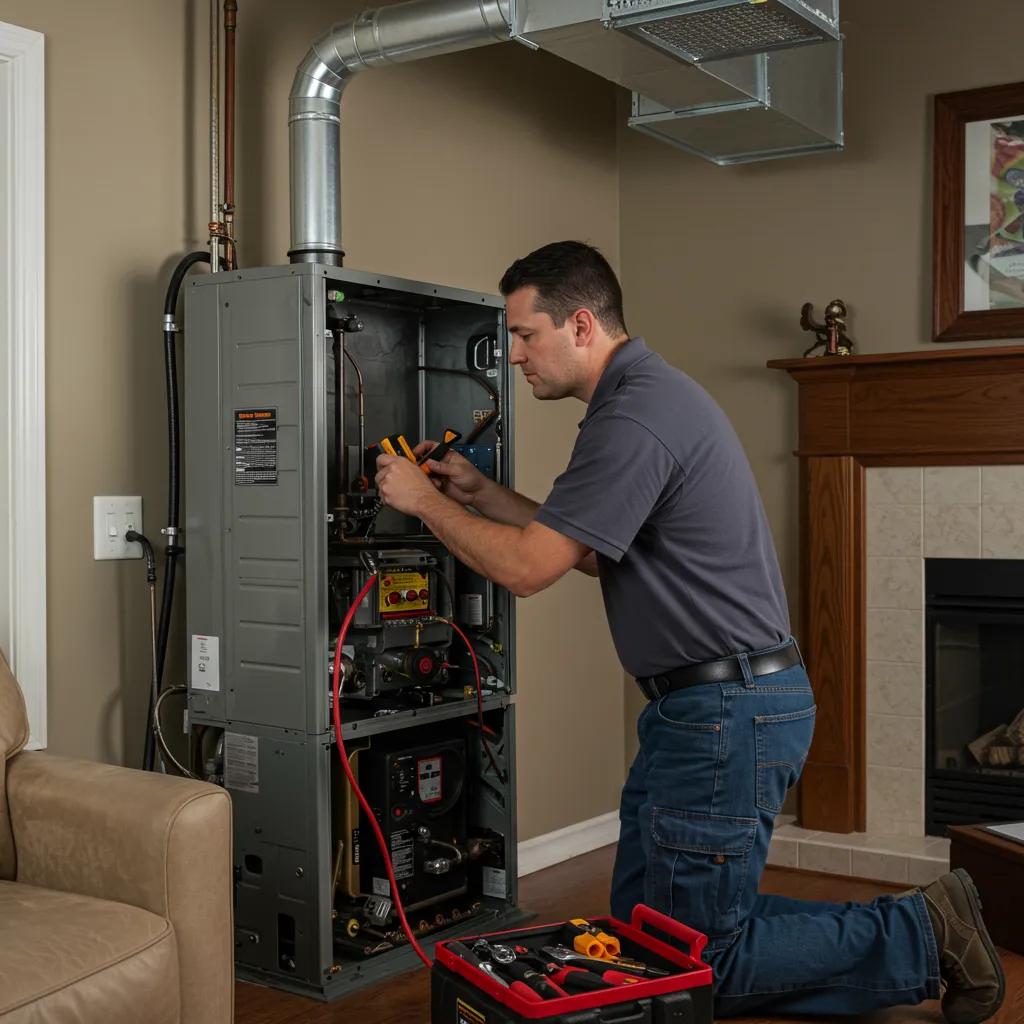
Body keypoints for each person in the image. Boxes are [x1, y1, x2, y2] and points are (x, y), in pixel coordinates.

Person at [374, 240, 1005, 1022]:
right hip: (709, 708)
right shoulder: (642, 398)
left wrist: (425, 504)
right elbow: (591, 550)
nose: (514, 357)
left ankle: (922, 930)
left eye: (524, 335)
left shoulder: (633, 415)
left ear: (579, 324)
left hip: (725, 712)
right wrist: (476, 493)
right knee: (650, 930)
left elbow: (532, 569)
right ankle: (925, 929)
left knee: (681, 962)